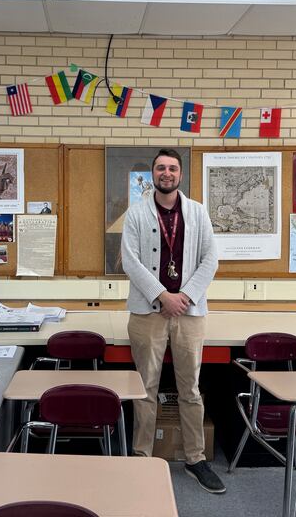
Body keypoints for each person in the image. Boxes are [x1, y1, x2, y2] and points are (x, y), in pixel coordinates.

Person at [120, 148, 223, 494]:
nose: (166, 173)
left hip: (189, 312)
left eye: (172, 168)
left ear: (181, 174)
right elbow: (130, 261)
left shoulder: (197, 212)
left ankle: (195, 459)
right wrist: (163, 295)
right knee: (145, 388)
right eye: (161, 168)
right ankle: (142, 456)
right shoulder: (135, 214)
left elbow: (211, 259)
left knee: (190, 389)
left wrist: (185, 297)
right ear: (152, 174)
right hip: (147, 311)